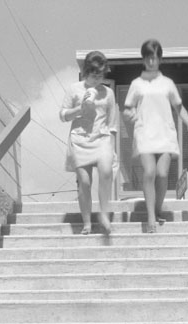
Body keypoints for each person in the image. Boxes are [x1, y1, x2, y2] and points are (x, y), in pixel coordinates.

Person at [124, 39, 188, 233]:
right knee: (149, 172)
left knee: (162, 174)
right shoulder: (136, 84)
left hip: (165, 134)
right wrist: (129, 114)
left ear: (160, 59)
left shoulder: (167, 84)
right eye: (148, 58)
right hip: (145, 133)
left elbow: (178, 107)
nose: (152, 62)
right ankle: (150, 218)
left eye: (155, 58)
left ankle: (156, 210)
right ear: (143, 60)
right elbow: (127, 109)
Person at [60, 50, 117, 235]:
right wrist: (80, 109)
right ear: (86, 72)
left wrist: (112, 148)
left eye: (101, 74)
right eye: (94, 74)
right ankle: (87, 223)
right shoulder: (74, 88)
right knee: (84, 182)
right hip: (80, 139)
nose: (97, 78)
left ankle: (104, 214)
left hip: (101, 138)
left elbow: (113, 123)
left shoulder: (108, 93)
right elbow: (62, 115)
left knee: (106, 171)